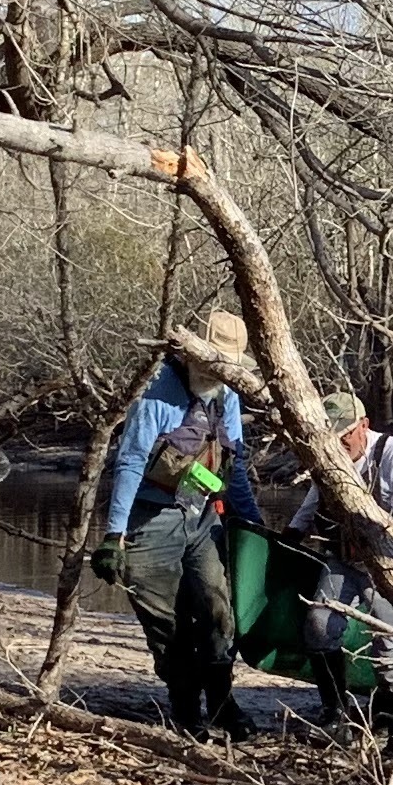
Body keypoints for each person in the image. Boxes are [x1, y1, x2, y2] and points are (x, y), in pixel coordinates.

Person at [88, 316, 261, 738]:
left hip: (203, 518)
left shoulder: (227, 396)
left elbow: (232, 467)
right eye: (214, 363)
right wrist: (115, 535)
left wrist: (252, 522)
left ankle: (221, 703)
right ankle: (186, 710)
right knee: (166, 624)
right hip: (151, 521)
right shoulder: (156, 393)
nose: (220, 373)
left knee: (219, 610)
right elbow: (129, 461)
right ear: (191, 354)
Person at [291, 392, 393, 733]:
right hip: (343, 561)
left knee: (389, 650)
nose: (342, 441)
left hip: (390, 564)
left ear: (364, 425)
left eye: (347, 432)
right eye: (335, 434)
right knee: (318, 627)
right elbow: (314, 499)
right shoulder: (329, 455)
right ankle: (335, 714)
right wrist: (292, 533)